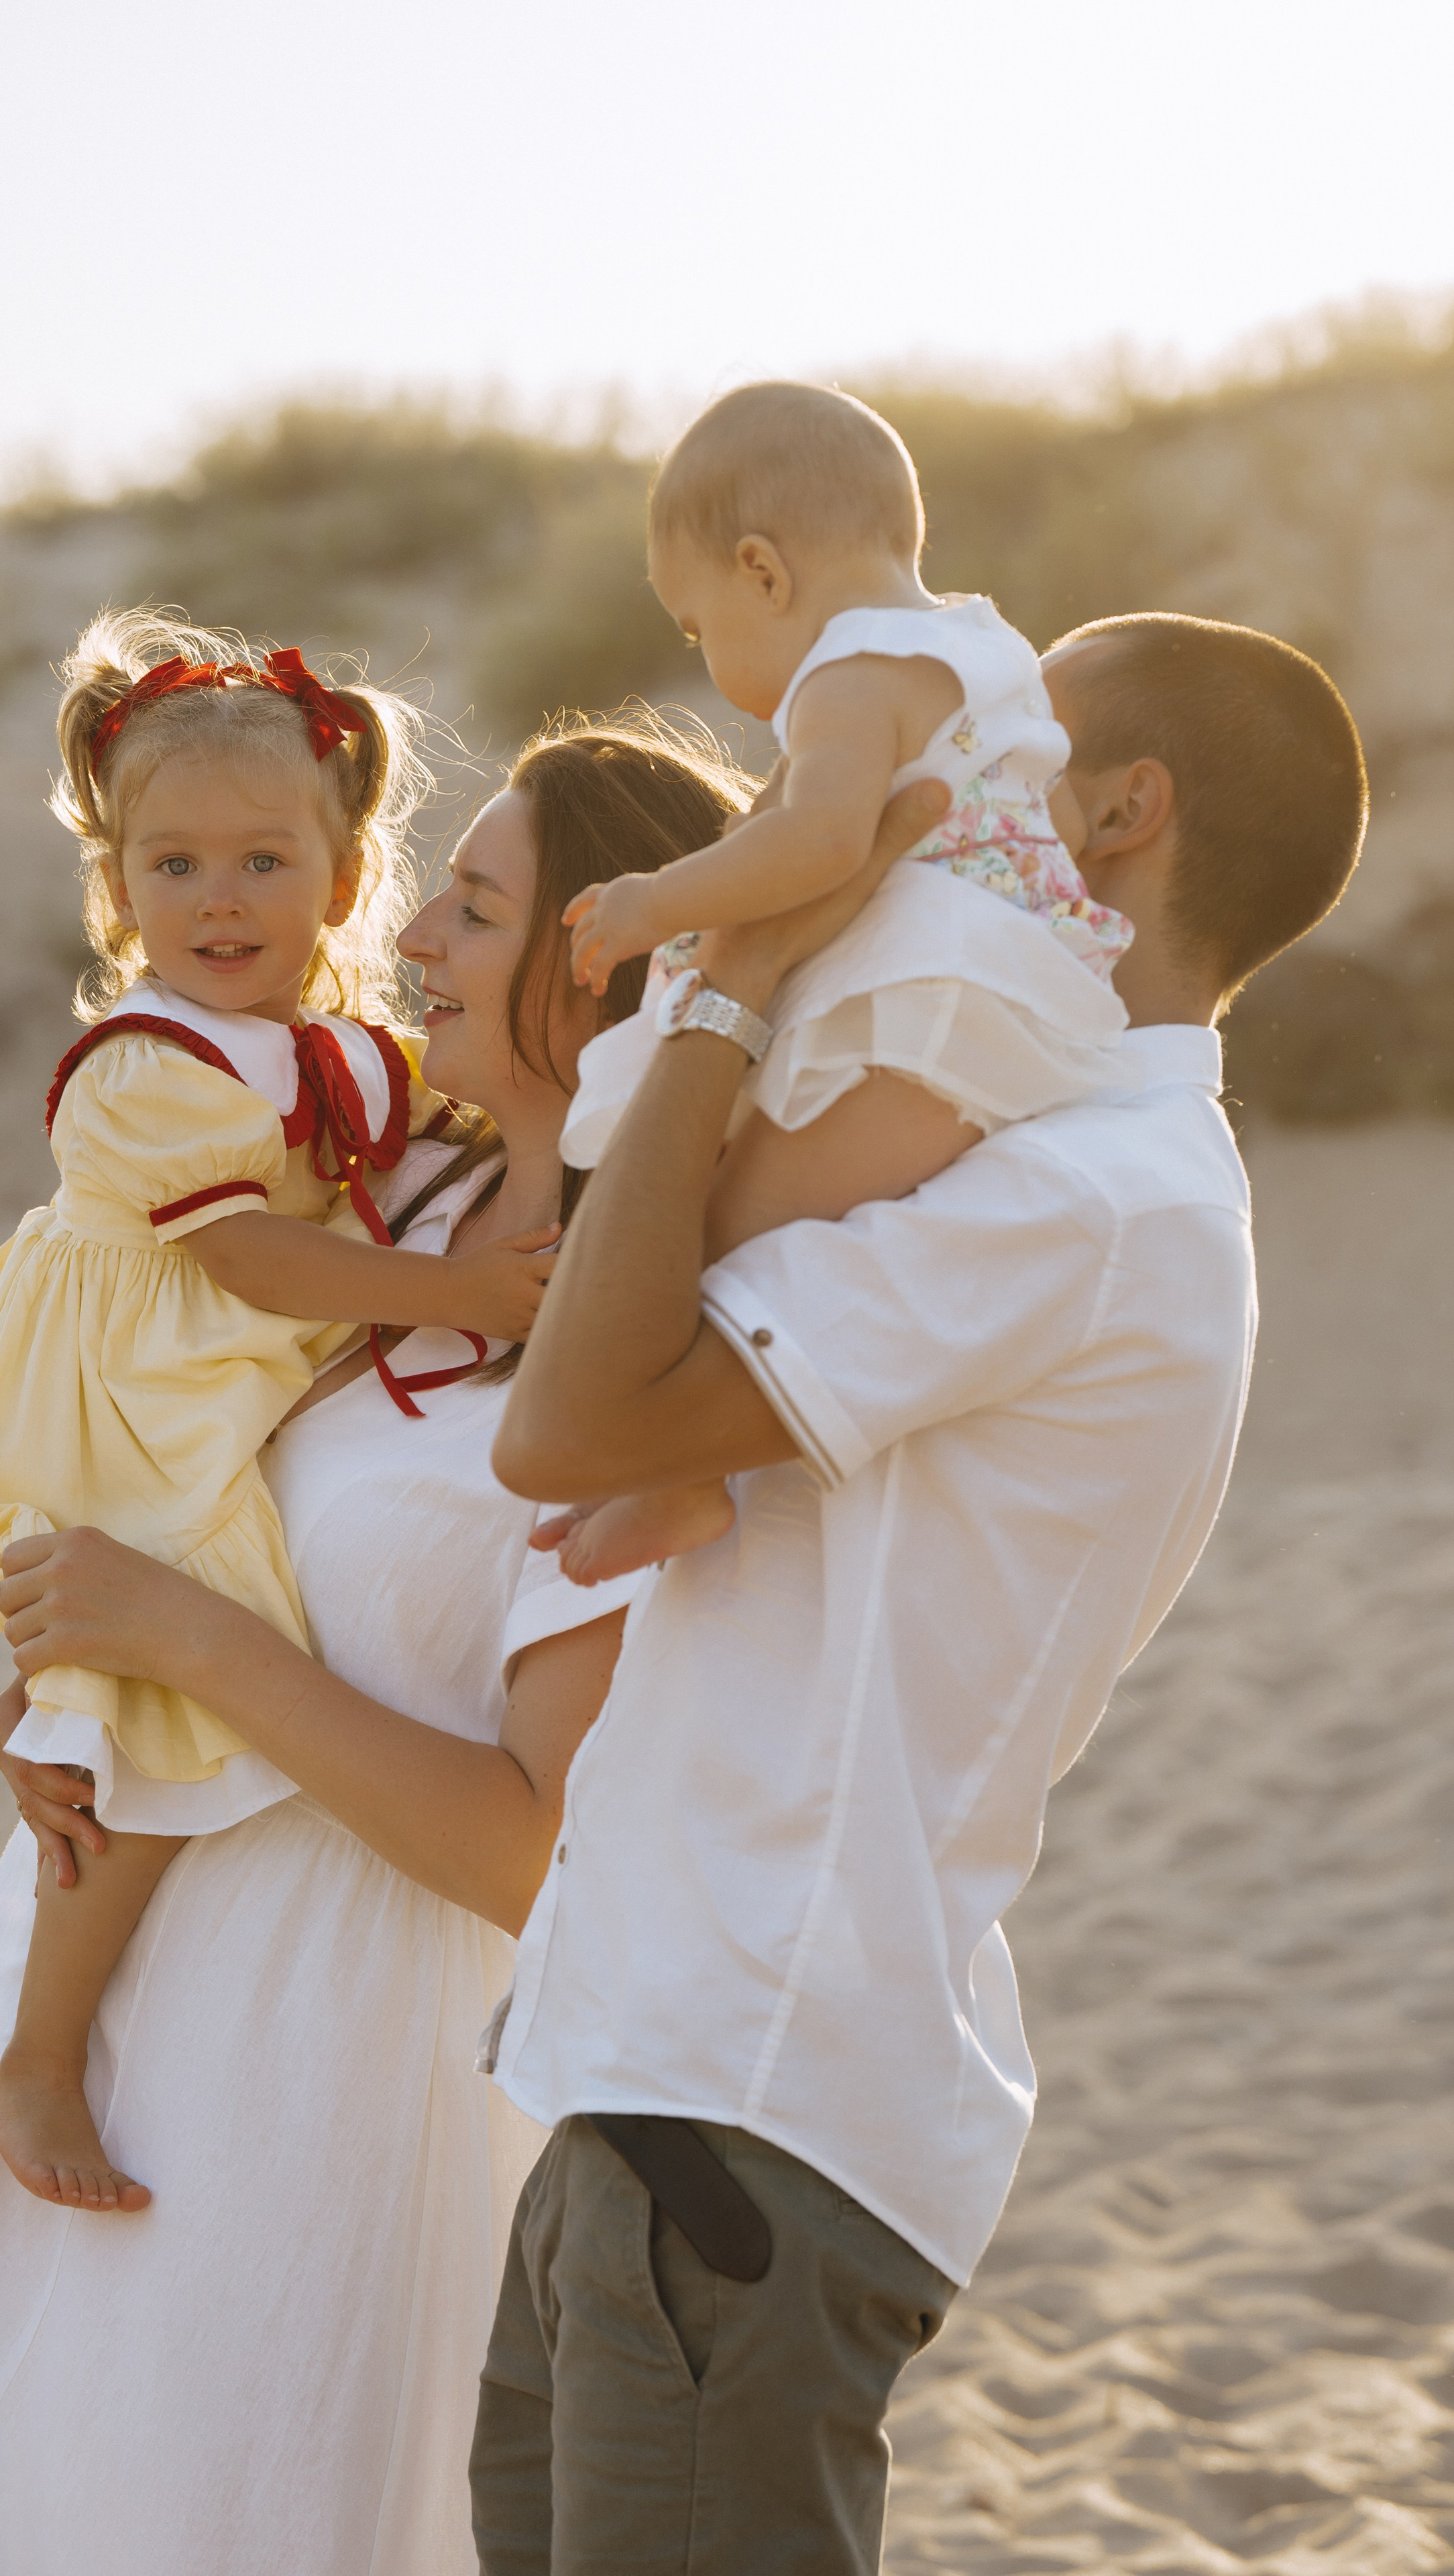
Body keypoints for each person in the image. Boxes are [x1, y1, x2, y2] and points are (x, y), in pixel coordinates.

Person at [478, 610, 1368, 2573]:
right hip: (656, 2084)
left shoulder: (1088, 1199)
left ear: (1122, 816)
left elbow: (569, 1426)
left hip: (750, 2104)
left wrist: (735, 975)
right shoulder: (986, 1148)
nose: (932, 782)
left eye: (996, 743)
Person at [0, 715, 760, 2576]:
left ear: (598, 955)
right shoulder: (404, 1200)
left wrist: (191, 1643)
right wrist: (72, 1660)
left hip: (321, 2091)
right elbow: (180, 1447)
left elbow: (542, 1857)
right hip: (96, 2020)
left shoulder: (659, 1344)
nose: (419, 941)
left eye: (471, 902)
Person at [0, 608, 558, 2216]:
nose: (220, 900)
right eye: (175, 868)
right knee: (158, 1684)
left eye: (265, 864)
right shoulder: (146, 1071)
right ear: (118, 887)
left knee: (145, 1684)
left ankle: (51, 2025)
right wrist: (477, 1303)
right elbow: (260, 1261)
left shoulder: (336, 1052)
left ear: (343, 881)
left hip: (199, 1397)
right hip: (122, 1408)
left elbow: (430, 1138)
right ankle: (43, 2053)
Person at [545, 380, 1139, 1586]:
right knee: (767, 1218)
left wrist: (658, 898)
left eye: (698, 628)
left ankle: (676, 1475)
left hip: (929, 997)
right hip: (1004, 988)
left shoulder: (847, 672)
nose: (709, 664)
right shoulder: (983, 645)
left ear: (764, 572)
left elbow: (820, 842)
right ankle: (681, 1469)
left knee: (715, 1227)